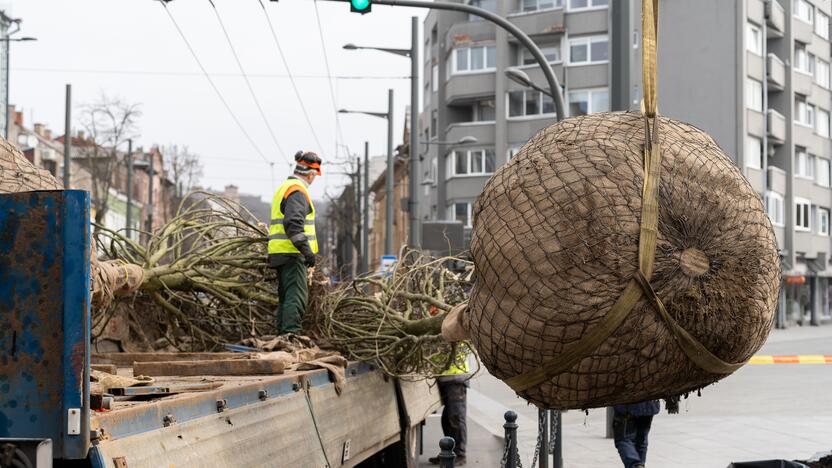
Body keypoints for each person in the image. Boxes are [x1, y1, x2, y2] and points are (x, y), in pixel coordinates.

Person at [268, 150, 322, 336]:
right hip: (292, 253)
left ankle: (283, 337)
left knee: (286, 298)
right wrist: (307, 251)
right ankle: (291, 336)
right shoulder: (298, 191)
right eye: (315, 176)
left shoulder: (285, 187)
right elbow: (293, 224)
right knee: (296, 297)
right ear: (311, 174)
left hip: (280, 253)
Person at [429, 349, 470, 466]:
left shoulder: (452, 332)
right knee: (447, 419)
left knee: (456, 418)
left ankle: (460, 455)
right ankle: (448, 453)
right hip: (443, 377)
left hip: (455, 377)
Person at [612, 400, 661, 468]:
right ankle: (640, 465)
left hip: (628, 405)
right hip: (649, 405)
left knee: (623, 440)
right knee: (641, 440)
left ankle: (636, 466)